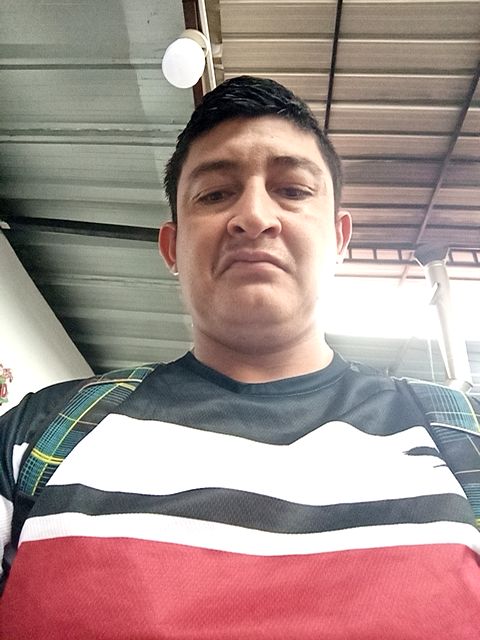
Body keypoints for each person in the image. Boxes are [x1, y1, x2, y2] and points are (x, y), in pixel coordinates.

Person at [0, 76, 478, 639]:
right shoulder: (44, 432)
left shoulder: (460, 438)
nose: (254, 216)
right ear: (172, 247)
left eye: (292, 190)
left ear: (339, 239)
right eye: (214, 194)